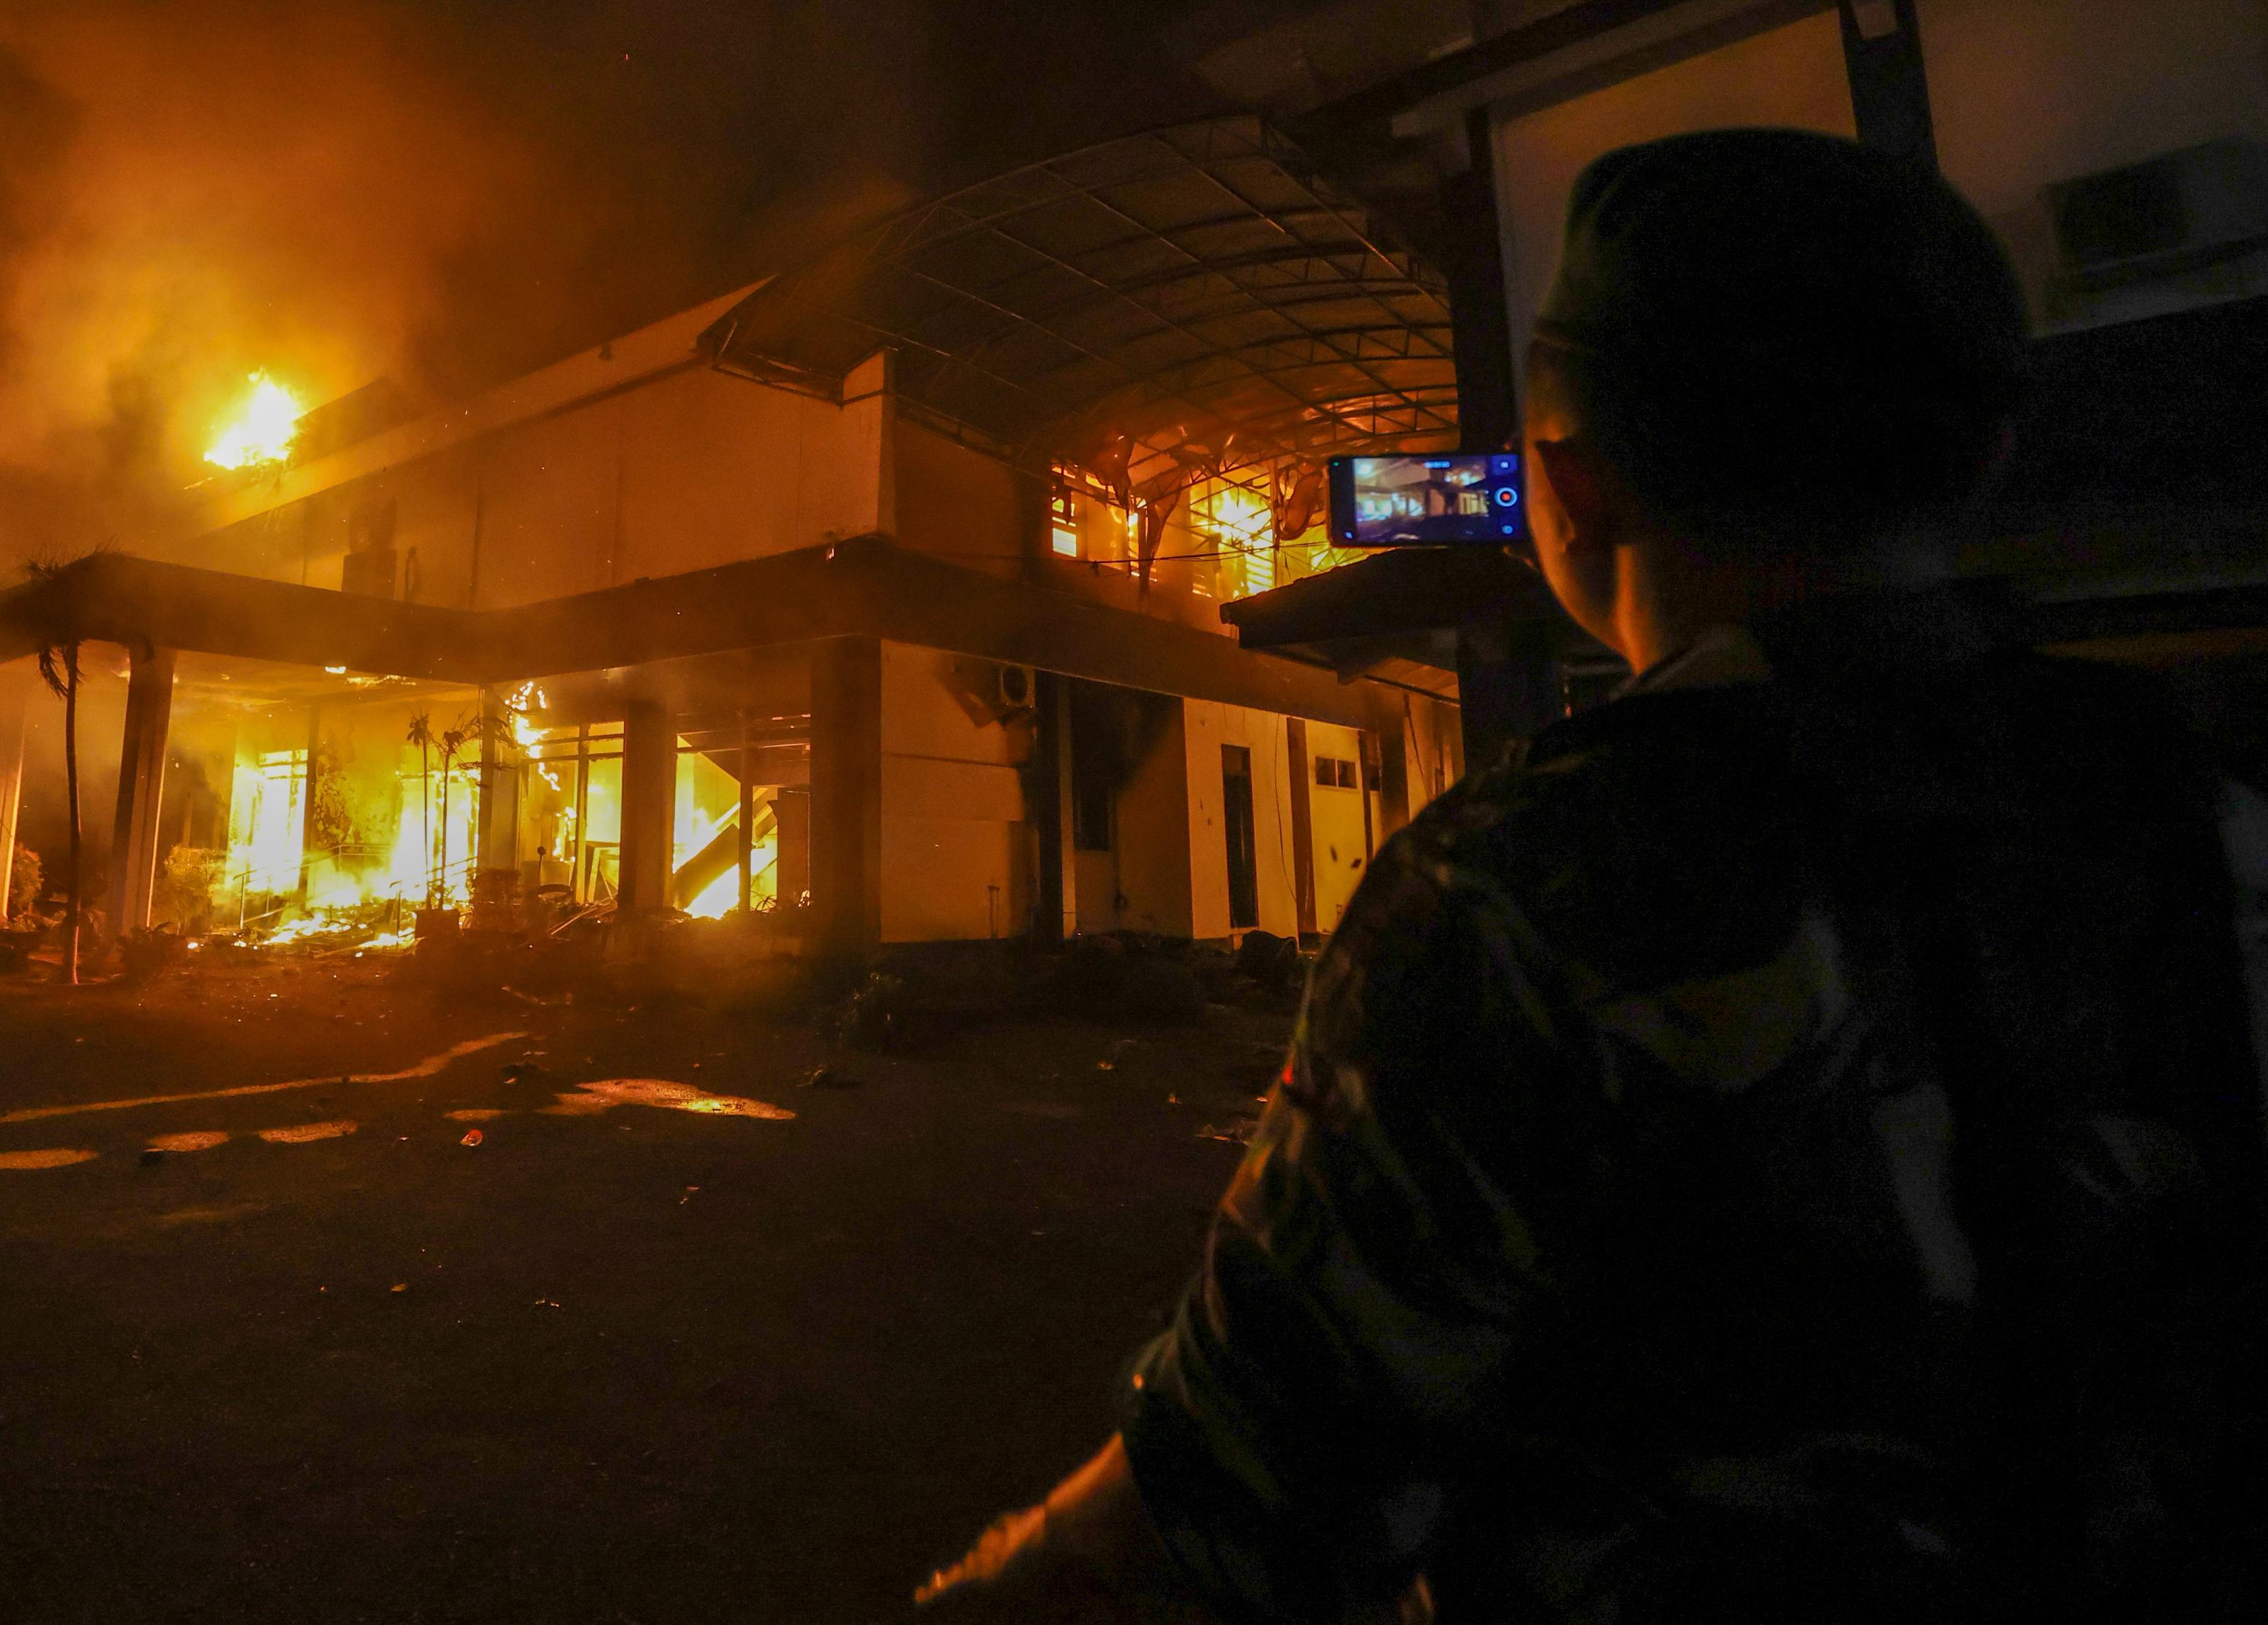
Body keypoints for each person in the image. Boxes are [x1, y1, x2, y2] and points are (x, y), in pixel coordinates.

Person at [915, 129, 2268, 1622]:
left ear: (1569, 487)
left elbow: (1229, 1512)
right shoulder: (2209, 807)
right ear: (1986, 454)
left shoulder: (1523, 893)